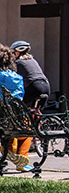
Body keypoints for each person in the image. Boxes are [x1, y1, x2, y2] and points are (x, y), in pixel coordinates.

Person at [0, 44, 31, 172]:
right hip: (14, 120)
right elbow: (20, 98)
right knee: (27, 131)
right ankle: (22, 157)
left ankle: (4, 150)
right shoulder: (17, 78)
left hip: (2, 119)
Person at [10, 40, 50, 108]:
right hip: (46, 87)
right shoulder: (33, 61)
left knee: (18, 107)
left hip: (33, 87)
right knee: (35, 113)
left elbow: (13, 79)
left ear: (17, 53)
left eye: (13, 53)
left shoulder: (18, 63)